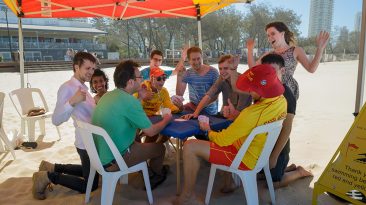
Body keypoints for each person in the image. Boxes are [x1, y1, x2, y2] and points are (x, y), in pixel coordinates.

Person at [175, 64, 287, 204]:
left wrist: (208, 130)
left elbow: (223, 140)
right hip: (259, 153)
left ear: (263, 90)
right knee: (221, 134)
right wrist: (236, 116)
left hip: (243, 157)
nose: (250, 91)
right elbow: (255, 122)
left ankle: (187, 195)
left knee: (190, 146)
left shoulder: (251, 113)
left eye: (253, 88)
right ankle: (229, 183)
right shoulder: (281, 101)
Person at [92, 60, 172, 190]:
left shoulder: (108, 96)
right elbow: (151, 131)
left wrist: (140, 98)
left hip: (101, 154)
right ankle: (154, 178)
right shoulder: (129, 102)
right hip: (116, 159)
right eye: (140, 77)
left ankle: (149, 172)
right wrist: (167, 119)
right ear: (130, 82)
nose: (142, 80)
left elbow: (126, 111)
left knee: (137, 139)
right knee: (160, 149)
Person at [32, 52, 99, 200]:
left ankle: (53, 167)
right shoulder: (68, 88)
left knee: (93, 172)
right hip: (85, 143)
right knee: (91, 184)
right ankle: (48, 176)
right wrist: (72, 102)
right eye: (88, 68)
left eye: (93, 69)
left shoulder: (83, 88)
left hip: (91, 141)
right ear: (76, 67)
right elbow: (56, 120)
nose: (91, 72)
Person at [260, 53, 313, 188]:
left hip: (279, 148)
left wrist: (274, 156)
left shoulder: (287, 95)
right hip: (263, 145)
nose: (268, 75)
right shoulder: (263, 91)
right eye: (265, 72)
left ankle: (299, 172)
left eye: (273, 71)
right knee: (261, 175)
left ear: (282, 71)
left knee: (273, 184)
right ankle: (287, 168)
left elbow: (286, 129)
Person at [247, 21, 330, 100]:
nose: (269, 38)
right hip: (271, 91)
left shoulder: (296, 50)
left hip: (287, 92)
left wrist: (320, 48)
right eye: (268, 35)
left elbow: (311, 69)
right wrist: (250, 50)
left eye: (273, 33)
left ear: (282, 33)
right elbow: (253, 68)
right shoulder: (269, 53)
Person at [182, 54, 251, 122]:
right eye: (220, 69)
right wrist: (195, 113)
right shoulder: (222, 79)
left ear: (233, 68)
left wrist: (224, 122)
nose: (222, 72)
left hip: (241, 120)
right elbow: (208, 96)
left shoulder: (243, 83)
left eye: (226, 68)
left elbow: (239, 112)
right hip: (225, 116)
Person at [135, 67, 183, 143]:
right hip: (138, 117)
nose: (162, 81)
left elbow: (170, 107)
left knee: (161, 130)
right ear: (151, 78)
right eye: (159, 79)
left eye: (164, 78)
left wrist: (180, 107)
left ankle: (151, 147)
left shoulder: (163, 92)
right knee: (135, 136)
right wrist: (142, 97)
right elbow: (132, 107)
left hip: (152, 118)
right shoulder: (142, 88)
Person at [176, 46, 220, 115]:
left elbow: (215, 96)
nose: (196, 62)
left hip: (210, 113)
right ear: (189, 60)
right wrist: (179, 77)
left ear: (202, 58)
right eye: (193, 59)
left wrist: (199, 108)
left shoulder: (214, 72)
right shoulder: (188, 73)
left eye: (198, 59)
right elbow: (179, 94)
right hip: (192, 110)